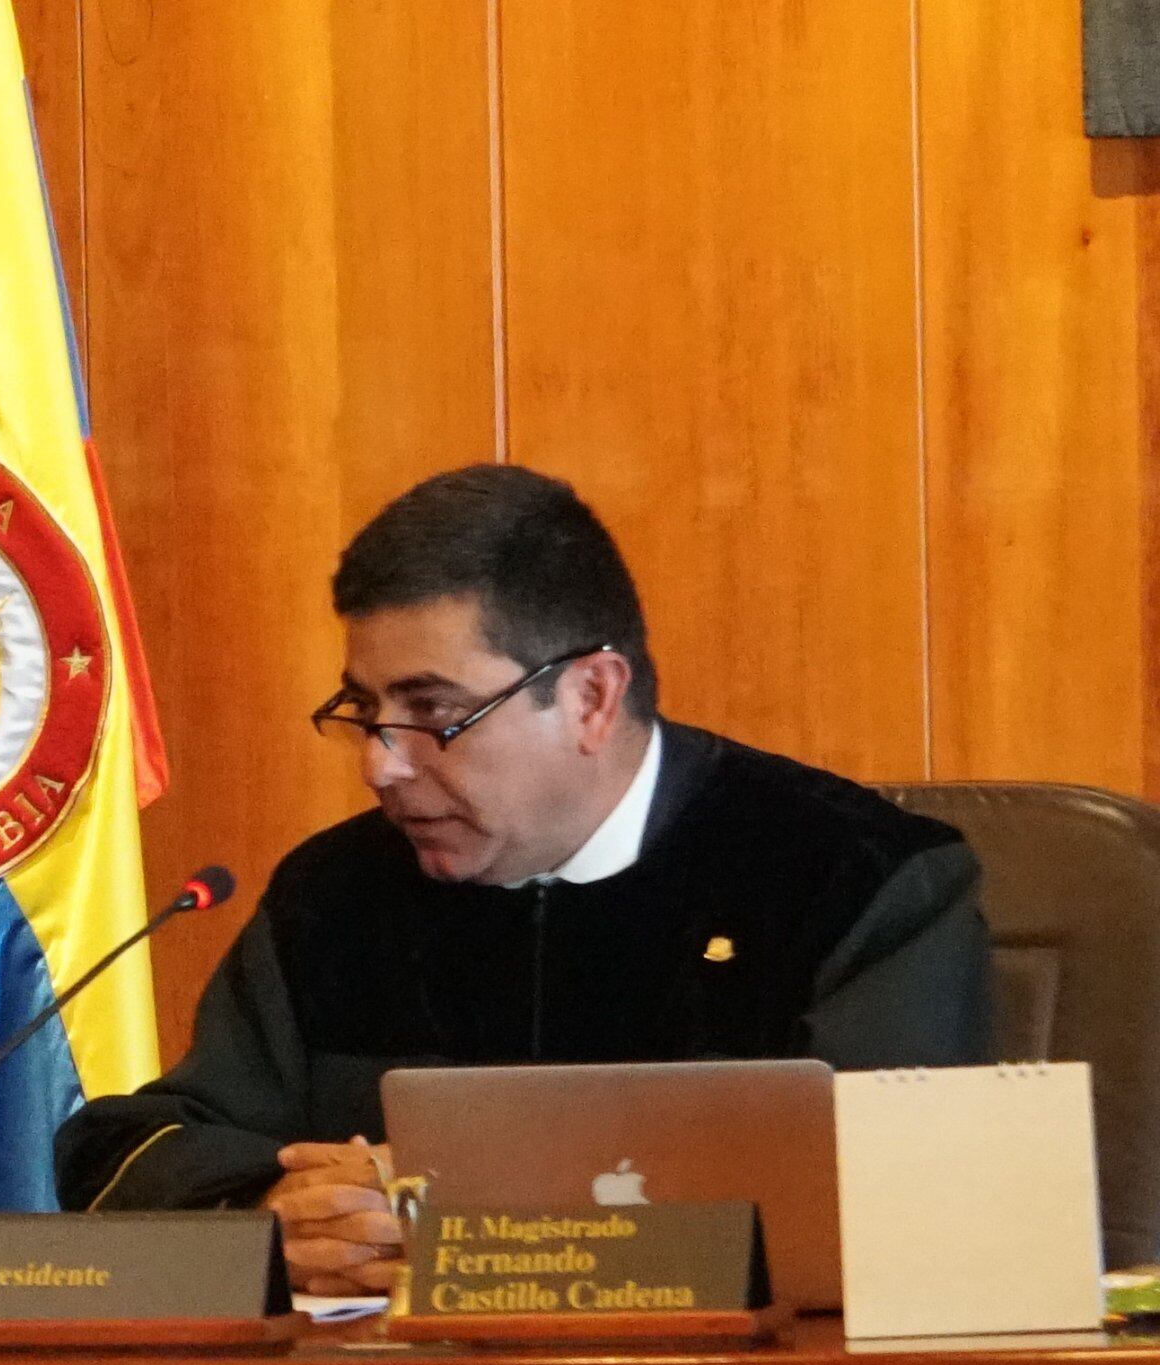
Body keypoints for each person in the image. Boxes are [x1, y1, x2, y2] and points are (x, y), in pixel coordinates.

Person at [55, 466, 992, 1295]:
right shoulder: (337, 896)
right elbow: (142, 1149)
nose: (382, 765)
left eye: (433, 711)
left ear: (590, 696)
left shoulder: (850, 880)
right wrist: (278, 1210)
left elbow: (915, 1217)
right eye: (364, 708)